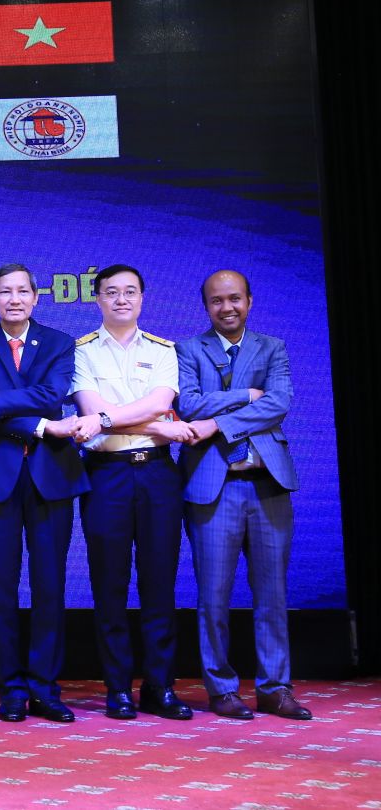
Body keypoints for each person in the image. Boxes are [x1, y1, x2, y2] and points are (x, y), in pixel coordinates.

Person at [176, 270, 309, 720]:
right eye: (217, 301)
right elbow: (189, 404)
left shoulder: (272, 348)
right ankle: (221, 688)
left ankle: (275, 688)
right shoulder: (188, 350)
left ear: (249, 301)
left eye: (234, 299)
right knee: (213, 597)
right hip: (214, 487)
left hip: (268, 485)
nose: (226, 307)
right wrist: (248, 395)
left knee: (272, 594)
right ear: (206, 306)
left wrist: (219, 422)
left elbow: (279, 402)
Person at [0, 264, 88, 723]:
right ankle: (10, 688)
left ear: (36, 297)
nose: (14, 299)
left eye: (22, 291)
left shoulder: (59, 342)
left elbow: (51, 393)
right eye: (5, 292)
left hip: (51, 475)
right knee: (0, 587)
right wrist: (41, 424)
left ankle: (45, 687)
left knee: (49, 585)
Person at [70, 264, 197, 720]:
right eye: (111, 292)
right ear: (97, 299)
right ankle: (118, 688)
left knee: (159, 582)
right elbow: (91, 408)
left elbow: (160, 402)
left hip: (158, 474)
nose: (121, 299)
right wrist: (157, 424)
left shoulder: (165, 350)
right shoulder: (80, 351)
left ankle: (160, 686)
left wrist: (115, 419)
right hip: (107, 474)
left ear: (142, 297)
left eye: (129, 292)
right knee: (110, 584)